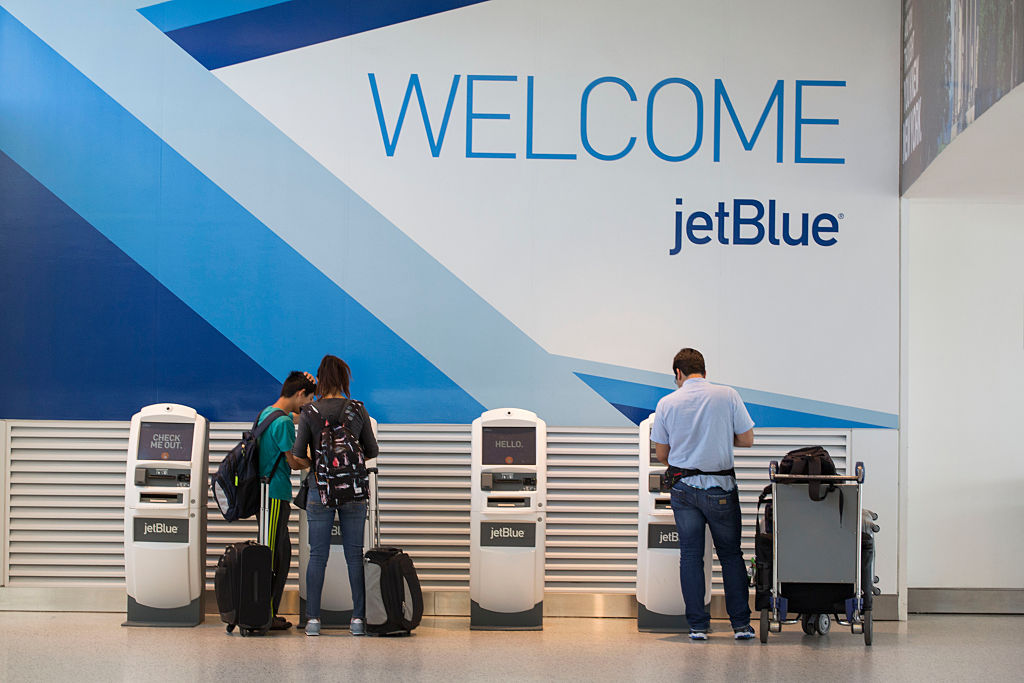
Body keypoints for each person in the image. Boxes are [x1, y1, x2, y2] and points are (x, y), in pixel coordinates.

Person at [650, 348, 756, 640]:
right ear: (705, 372)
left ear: (678, 374)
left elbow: (662, 454)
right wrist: (720, 437)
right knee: (731, 556)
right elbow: (747, 439)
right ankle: (741, 626)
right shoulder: (728, 395)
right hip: (721, 489)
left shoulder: (667, 403)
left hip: (684, 491)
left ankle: (697, 626)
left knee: (691, 556)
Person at [292, 355, 379, 636]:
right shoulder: (357, 409)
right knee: (355, 555)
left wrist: (317, 463)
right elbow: (373, 451)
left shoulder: (309, 412)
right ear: (343, 379)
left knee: (318, 555)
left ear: (321, 378)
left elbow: (297, 454)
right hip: (353, 491)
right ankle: (357, 621)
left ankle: (313, 620)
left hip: (320, 490)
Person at [257, 370, 316, 631]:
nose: (307, 406)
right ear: (300, 394)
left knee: (281, 555)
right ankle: (264, 614)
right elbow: (293, 461)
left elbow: (294, 414)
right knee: (271, 558)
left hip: (271, 498)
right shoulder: (282, 424)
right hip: (274, 498)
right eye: (308, 399)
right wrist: (316, 463)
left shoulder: (268, 413)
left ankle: (270, 612)